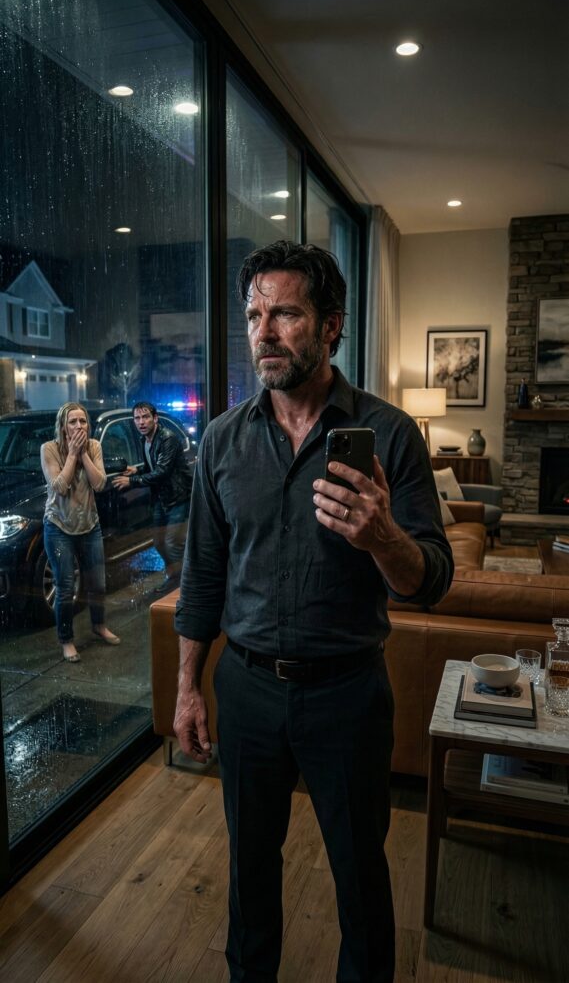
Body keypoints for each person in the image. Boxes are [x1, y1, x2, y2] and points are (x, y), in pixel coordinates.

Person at [173, 240, 453, 983]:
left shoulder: (390, 435)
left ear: (331, 326)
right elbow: (203, 576)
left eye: (286, 314)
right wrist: (187, 688)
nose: (263, 332)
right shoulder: (221, 441)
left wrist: (382, 536)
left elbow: (431, 581)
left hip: (347, 695)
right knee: (249, 871)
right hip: (247, 690)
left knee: (360, 875)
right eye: (253, 316)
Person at [41, 402, 119, 663]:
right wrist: (72, 454)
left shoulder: (94, 446)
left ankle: (99, 626)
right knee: (65, 587)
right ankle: (66, 640)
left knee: (98, 583)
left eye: (82, 421)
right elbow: (59, 487)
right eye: (72, 422)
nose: (78, 426)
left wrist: (83, 453)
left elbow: (100, 484)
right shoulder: (49, 449)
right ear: (63, 426)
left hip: (89, 525)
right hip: (58, 526)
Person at [114, 401, 193, 594]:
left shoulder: (168, 438)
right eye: (137, 418)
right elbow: (154, 466)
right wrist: (138, 469)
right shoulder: (145, 440)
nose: (141, 422)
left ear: (155, 418)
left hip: (178, 497)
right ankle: (174, 578)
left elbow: (162, 471)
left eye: (145, 417)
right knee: (158, 542)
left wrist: (132, 481)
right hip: (161, 499)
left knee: (173, 543)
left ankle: (184, 587)